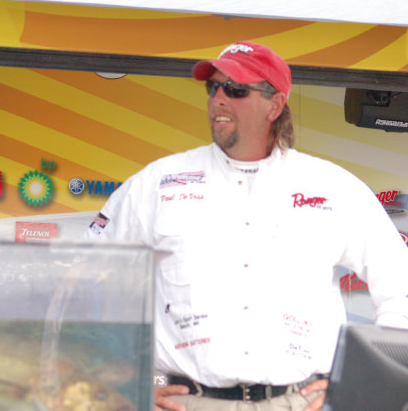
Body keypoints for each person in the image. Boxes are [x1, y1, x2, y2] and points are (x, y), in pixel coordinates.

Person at [86, 41, 408, 411]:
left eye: (235, 89)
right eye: (213, 88)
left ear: (275, 104)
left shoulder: (332, 186)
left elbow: (399, 283)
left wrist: (361, 379)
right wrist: (124, 378)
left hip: (300, 403)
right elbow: (87, 278)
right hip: (187, 403)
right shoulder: (157, 183)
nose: (219, 99)